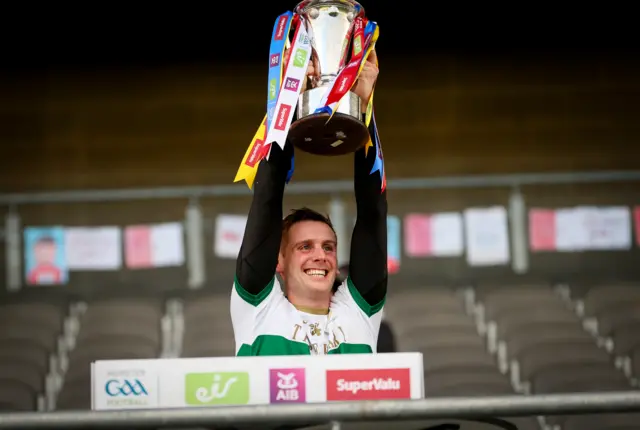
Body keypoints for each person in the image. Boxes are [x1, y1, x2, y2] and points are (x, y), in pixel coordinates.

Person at [231, 48, 387, 356]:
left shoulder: (360, 311)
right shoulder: (257, 309)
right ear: (279, 261)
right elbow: (267, 197)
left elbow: (372, 213)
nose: (321, 256)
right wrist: (290, 101)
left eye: (328, 247)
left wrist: (362, 107)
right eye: (305, 247)